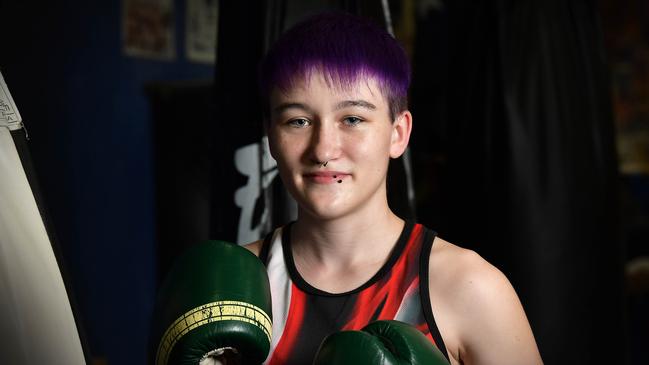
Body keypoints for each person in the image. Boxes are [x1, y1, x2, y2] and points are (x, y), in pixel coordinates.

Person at [245, 12, 543, 365]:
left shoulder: (468, 288)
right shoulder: (236, 287)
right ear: (271, 136)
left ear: (398, 133)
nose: (323, 150)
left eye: (352, 119)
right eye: (298, 121)